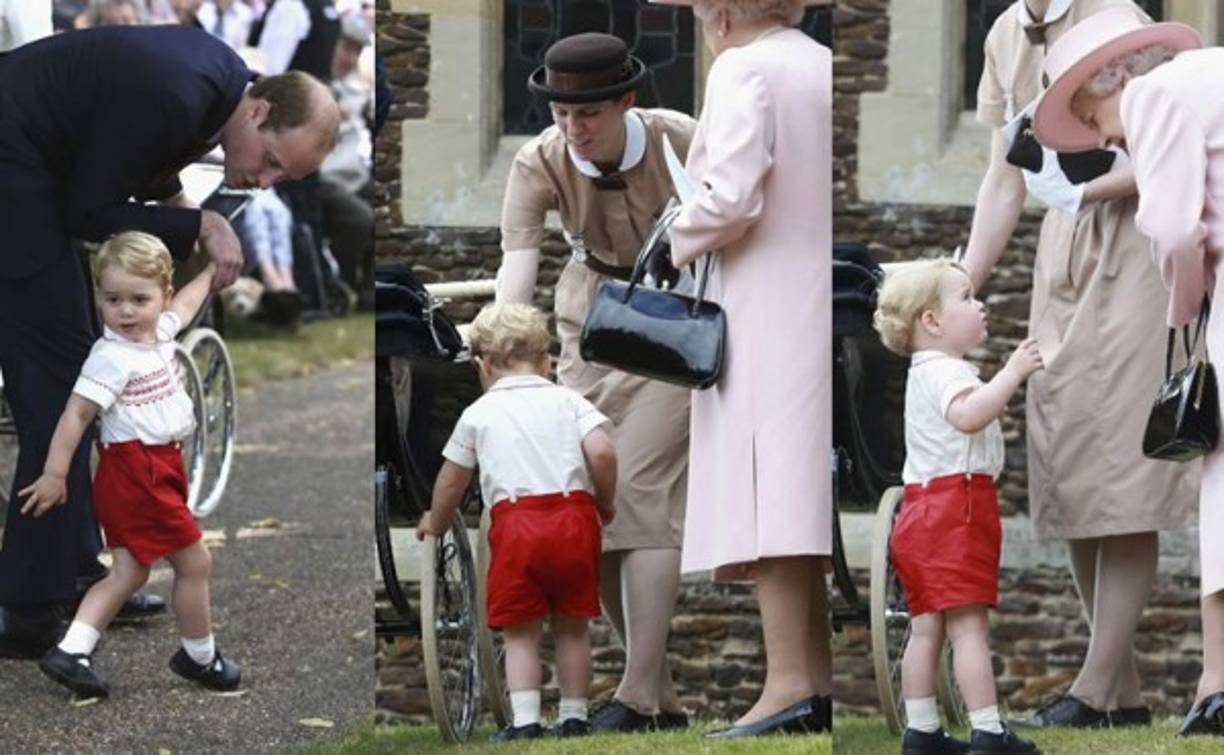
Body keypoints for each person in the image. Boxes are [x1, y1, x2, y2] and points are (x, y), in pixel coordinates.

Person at [0, 24, 340, 660]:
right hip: (15, 177)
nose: (264, 180)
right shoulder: (181, 92)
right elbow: (88, 210)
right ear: (261, 108)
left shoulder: (213, 83)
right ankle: (25, 606)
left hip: (32, 168)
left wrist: (184, 208)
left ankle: (79, 574)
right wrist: (200, 223)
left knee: (84, 375)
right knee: (60, 399)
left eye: (280, 177)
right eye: (270, 159)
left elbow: (137, 154)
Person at [962, 0, 1198, 729]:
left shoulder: (1115, 14)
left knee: (1124, 466)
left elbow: (1164, 142)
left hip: (1134, 248)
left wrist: (1086, 189)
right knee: (1072, 465)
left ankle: (1095, 688)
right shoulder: (1005, 32)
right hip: (1061, 258)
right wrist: (960, 279)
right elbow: (1006, 174)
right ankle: (1119, 691)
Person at [496, 32, 696, 732]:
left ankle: (636, 693)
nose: (574, 129)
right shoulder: (539, 158)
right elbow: (518, 263)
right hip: (589, 328)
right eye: (561, 115)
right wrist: (506, 345)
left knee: (640, 488)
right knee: (595, 508)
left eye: (588, 115)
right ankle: (659, 695)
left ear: (627, 102)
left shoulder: (683, 141)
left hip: (677, 327)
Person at [1032, 6, 1223, 737]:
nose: (1105, 139)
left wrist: (1185, 314)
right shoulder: (1205, 78)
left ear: (1110, 82)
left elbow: (1175, 228)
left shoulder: (1154, 96)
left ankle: (1217, 686)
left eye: (1091, 118)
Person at [662, 0, 832, 738]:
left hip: (764, 301)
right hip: (813, 294)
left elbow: (730, 198)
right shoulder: (821, 63)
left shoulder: (742, 68)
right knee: (797, 489)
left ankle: (790, 684)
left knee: (771, 495)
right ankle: (814, 680)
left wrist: (675, 232)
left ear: (724, 14)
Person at [22, 232, 239, 699]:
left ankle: (73, 649)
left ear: (161, 295)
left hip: (160, 466)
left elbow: (184, 306)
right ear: (97, 296)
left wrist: (208, 274)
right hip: (136, 472)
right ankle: (200, 657)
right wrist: (56, 473)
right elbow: (75, 414)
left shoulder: (157, 332)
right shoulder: (110, 357)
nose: (124, 311)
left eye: (139, 299)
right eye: (112, 298)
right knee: (195, 561)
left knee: (129, 572)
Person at [415, 302, 617, 742]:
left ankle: (525, 721)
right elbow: (601, 451)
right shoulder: (568, 399)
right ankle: (574, 717)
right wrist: (605, 500)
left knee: (521, 631)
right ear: (547, 362)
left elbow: (452, 477)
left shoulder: (478, 414)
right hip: (573, 516)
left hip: (516, 522)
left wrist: (437, 518)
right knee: (572, 625)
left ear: (482, 365)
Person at [873, 258, 1042, 755]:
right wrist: (1011, 374)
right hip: (956, 510)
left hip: (921, 511)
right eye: (966, 297)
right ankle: (988, 730)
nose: (981, 304)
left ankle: (921, 731)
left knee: (927, 628)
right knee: (969, 627)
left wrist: (992, 392)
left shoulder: (926, 371)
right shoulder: (946, 370)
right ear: (931, 321)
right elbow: (967, 416)